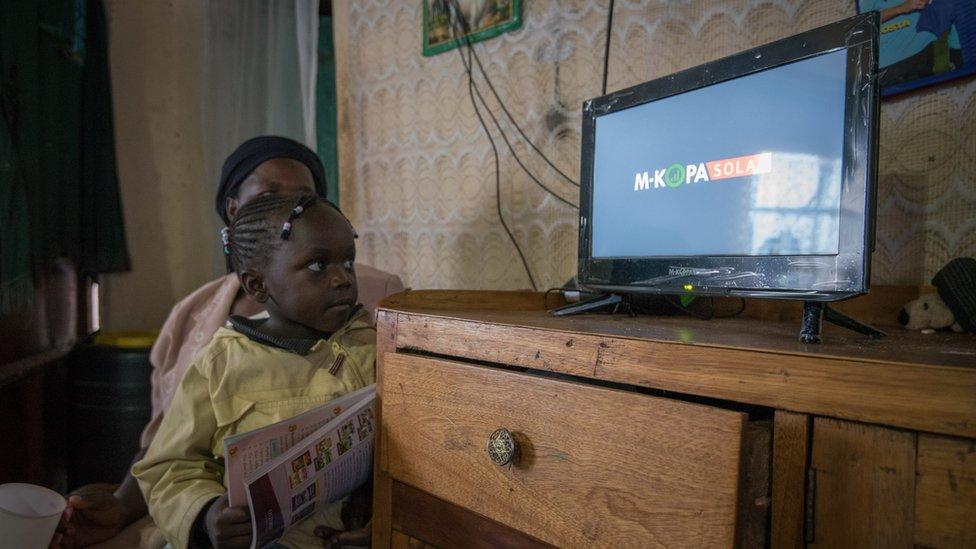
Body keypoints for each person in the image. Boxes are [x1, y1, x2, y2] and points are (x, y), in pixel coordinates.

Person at [54, 136, 402, 549]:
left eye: (305, 197)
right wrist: (201, 515)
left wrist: (386, 515)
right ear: (235, 211)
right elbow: (170, 452)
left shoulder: (374, 319)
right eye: (271, 196)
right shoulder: (209, 339)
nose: (343, 278)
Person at [133, 193, 374, 548]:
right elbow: (168, 467)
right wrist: (207, 515)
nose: (342, 279)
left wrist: (379, 511)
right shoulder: (222, 363)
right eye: (319, 265)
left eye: (348, 263)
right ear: (257, 284)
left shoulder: (370, 346)